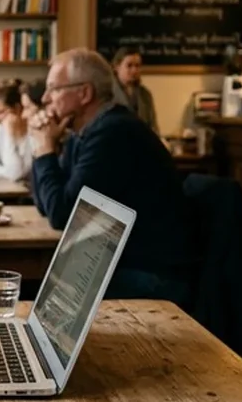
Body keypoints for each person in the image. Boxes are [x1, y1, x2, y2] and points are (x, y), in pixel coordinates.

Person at [29, 48, 196, 309]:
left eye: (54, 89)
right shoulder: (84, 133)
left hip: (152, 276)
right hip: (118, 263)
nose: (45, 98)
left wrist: (44, 150)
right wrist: (44, 146)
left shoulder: (113, 134)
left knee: (33, 288)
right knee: (35, 284)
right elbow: (45, 203)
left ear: (84, 93)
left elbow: (61, 214)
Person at [0, 78, 32, 181]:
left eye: (0, 112)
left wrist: (11, 136)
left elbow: (16, 174)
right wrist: (5, 171)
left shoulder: (33, 131)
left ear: (17, 108)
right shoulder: (0, 129)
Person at [110, 47, 159, 134]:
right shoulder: (108, 93)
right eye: (129, 65)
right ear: (116, 67)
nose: (134, 70)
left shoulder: (145, 95)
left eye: (137, 66)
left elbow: (153, 128)